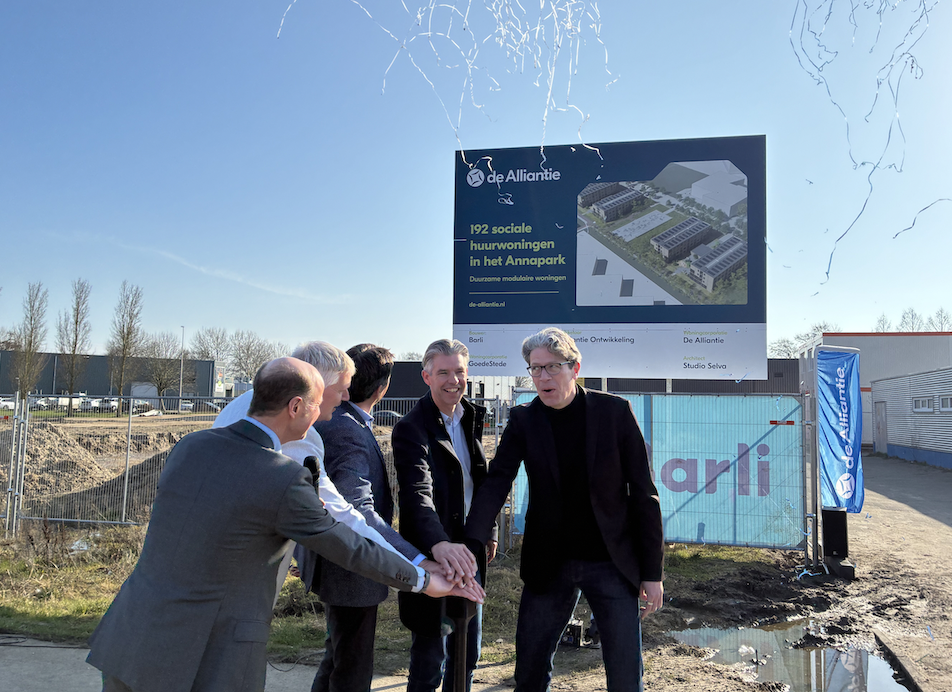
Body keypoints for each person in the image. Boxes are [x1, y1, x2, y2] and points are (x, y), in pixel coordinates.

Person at [87, 357, 483, 692]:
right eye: (317, 405)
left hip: (129, 639)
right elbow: (345, 543)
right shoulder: (282, 477)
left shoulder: (191, 446)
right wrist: (422, 579)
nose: (325, 414)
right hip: (207, 656)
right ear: (296, 408)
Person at [464, 327, 664, 692]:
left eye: (551, 367)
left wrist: (652, 572)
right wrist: (471, 542)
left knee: (624, 674)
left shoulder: (615, 412)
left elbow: (644, 494)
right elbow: (496, 483)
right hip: (549, 564)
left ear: (574, 368)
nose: (542, 377)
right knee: (529, 671)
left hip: (611, 563)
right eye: (534, 369)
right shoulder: (524, 420)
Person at [214, 342, 404, 603]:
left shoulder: (243, 404)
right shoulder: (300, 434)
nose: (346, 397)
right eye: (341, 389)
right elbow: (342, 513)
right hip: (245, 571)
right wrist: (413, 570)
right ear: (315, 385)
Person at [306, 344, 435, 692]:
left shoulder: (341, 421)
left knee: (337, 658)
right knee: (352, 668)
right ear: (382, 388)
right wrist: (415, 559)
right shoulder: (347, 429)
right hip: (352, 570)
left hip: (341, 565)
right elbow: (357, 507)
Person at [392, 339, 497, 692]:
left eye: (460, 372)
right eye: (443, 373)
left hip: (471, 551)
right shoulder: (411, 428)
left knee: (468, 653)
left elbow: (480, 483)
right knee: (429, 657)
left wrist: (490, 530)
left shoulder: (471, 417)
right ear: (426, 376)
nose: (453, 380)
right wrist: (440, 546)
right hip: (433, 555)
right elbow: (416, 495)